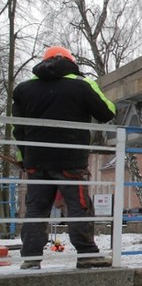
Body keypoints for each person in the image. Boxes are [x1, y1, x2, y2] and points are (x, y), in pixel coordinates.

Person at [12, 46, 116, 269]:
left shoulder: (23, 89)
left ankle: (30, 258)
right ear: (70, 62)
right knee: (78, 207)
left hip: (36, 161)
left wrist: (24, 157)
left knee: (36, 209)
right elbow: (107, 112)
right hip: (71, 160)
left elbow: (18, 130)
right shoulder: (82, 84)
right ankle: (87, 254)